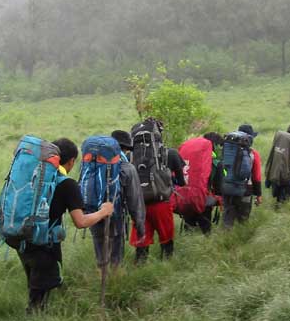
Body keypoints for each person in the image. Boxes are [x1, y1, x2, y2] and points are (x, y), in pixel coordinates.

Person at [18, 138, 113, 310]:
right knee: (39, 295)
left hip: (22, 236)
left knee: (35, 282)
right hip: (44, 242)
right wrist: (103, 212)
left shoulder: (36, 176)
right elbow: (80, 221)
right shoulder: (67, 184)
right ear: (71, 161)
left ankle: (40, 319)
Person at [91, 130, 146, 269]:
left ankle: (101, 278)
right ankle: (115, 282)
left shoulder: (93, 163)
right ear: (125, 149)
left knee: (101, 256)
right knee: (116, 258)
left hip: (94, 215)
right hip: (115, 217)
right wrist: (140, 226)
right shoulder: (127, 168)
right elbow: (135, 201)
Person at [131, 126, 186, 262]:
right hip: (162, 203)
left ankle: (140, 269)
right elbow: (182, 182)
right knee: (166, 239)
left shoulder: (130, 156)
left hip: (139, 206)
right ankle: (166, 266)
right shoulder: (170, 153)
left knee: (142, 242)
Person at [221, 123, 263, 227]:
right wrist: (258, 194)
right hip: (245, 189)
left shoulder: (227, 150)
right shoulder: (253, 154)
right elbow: (256, 176)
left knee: (228, 217)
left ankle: (225, 239)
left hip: (227, 187)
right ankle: (241, 239)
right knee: (243, 219)